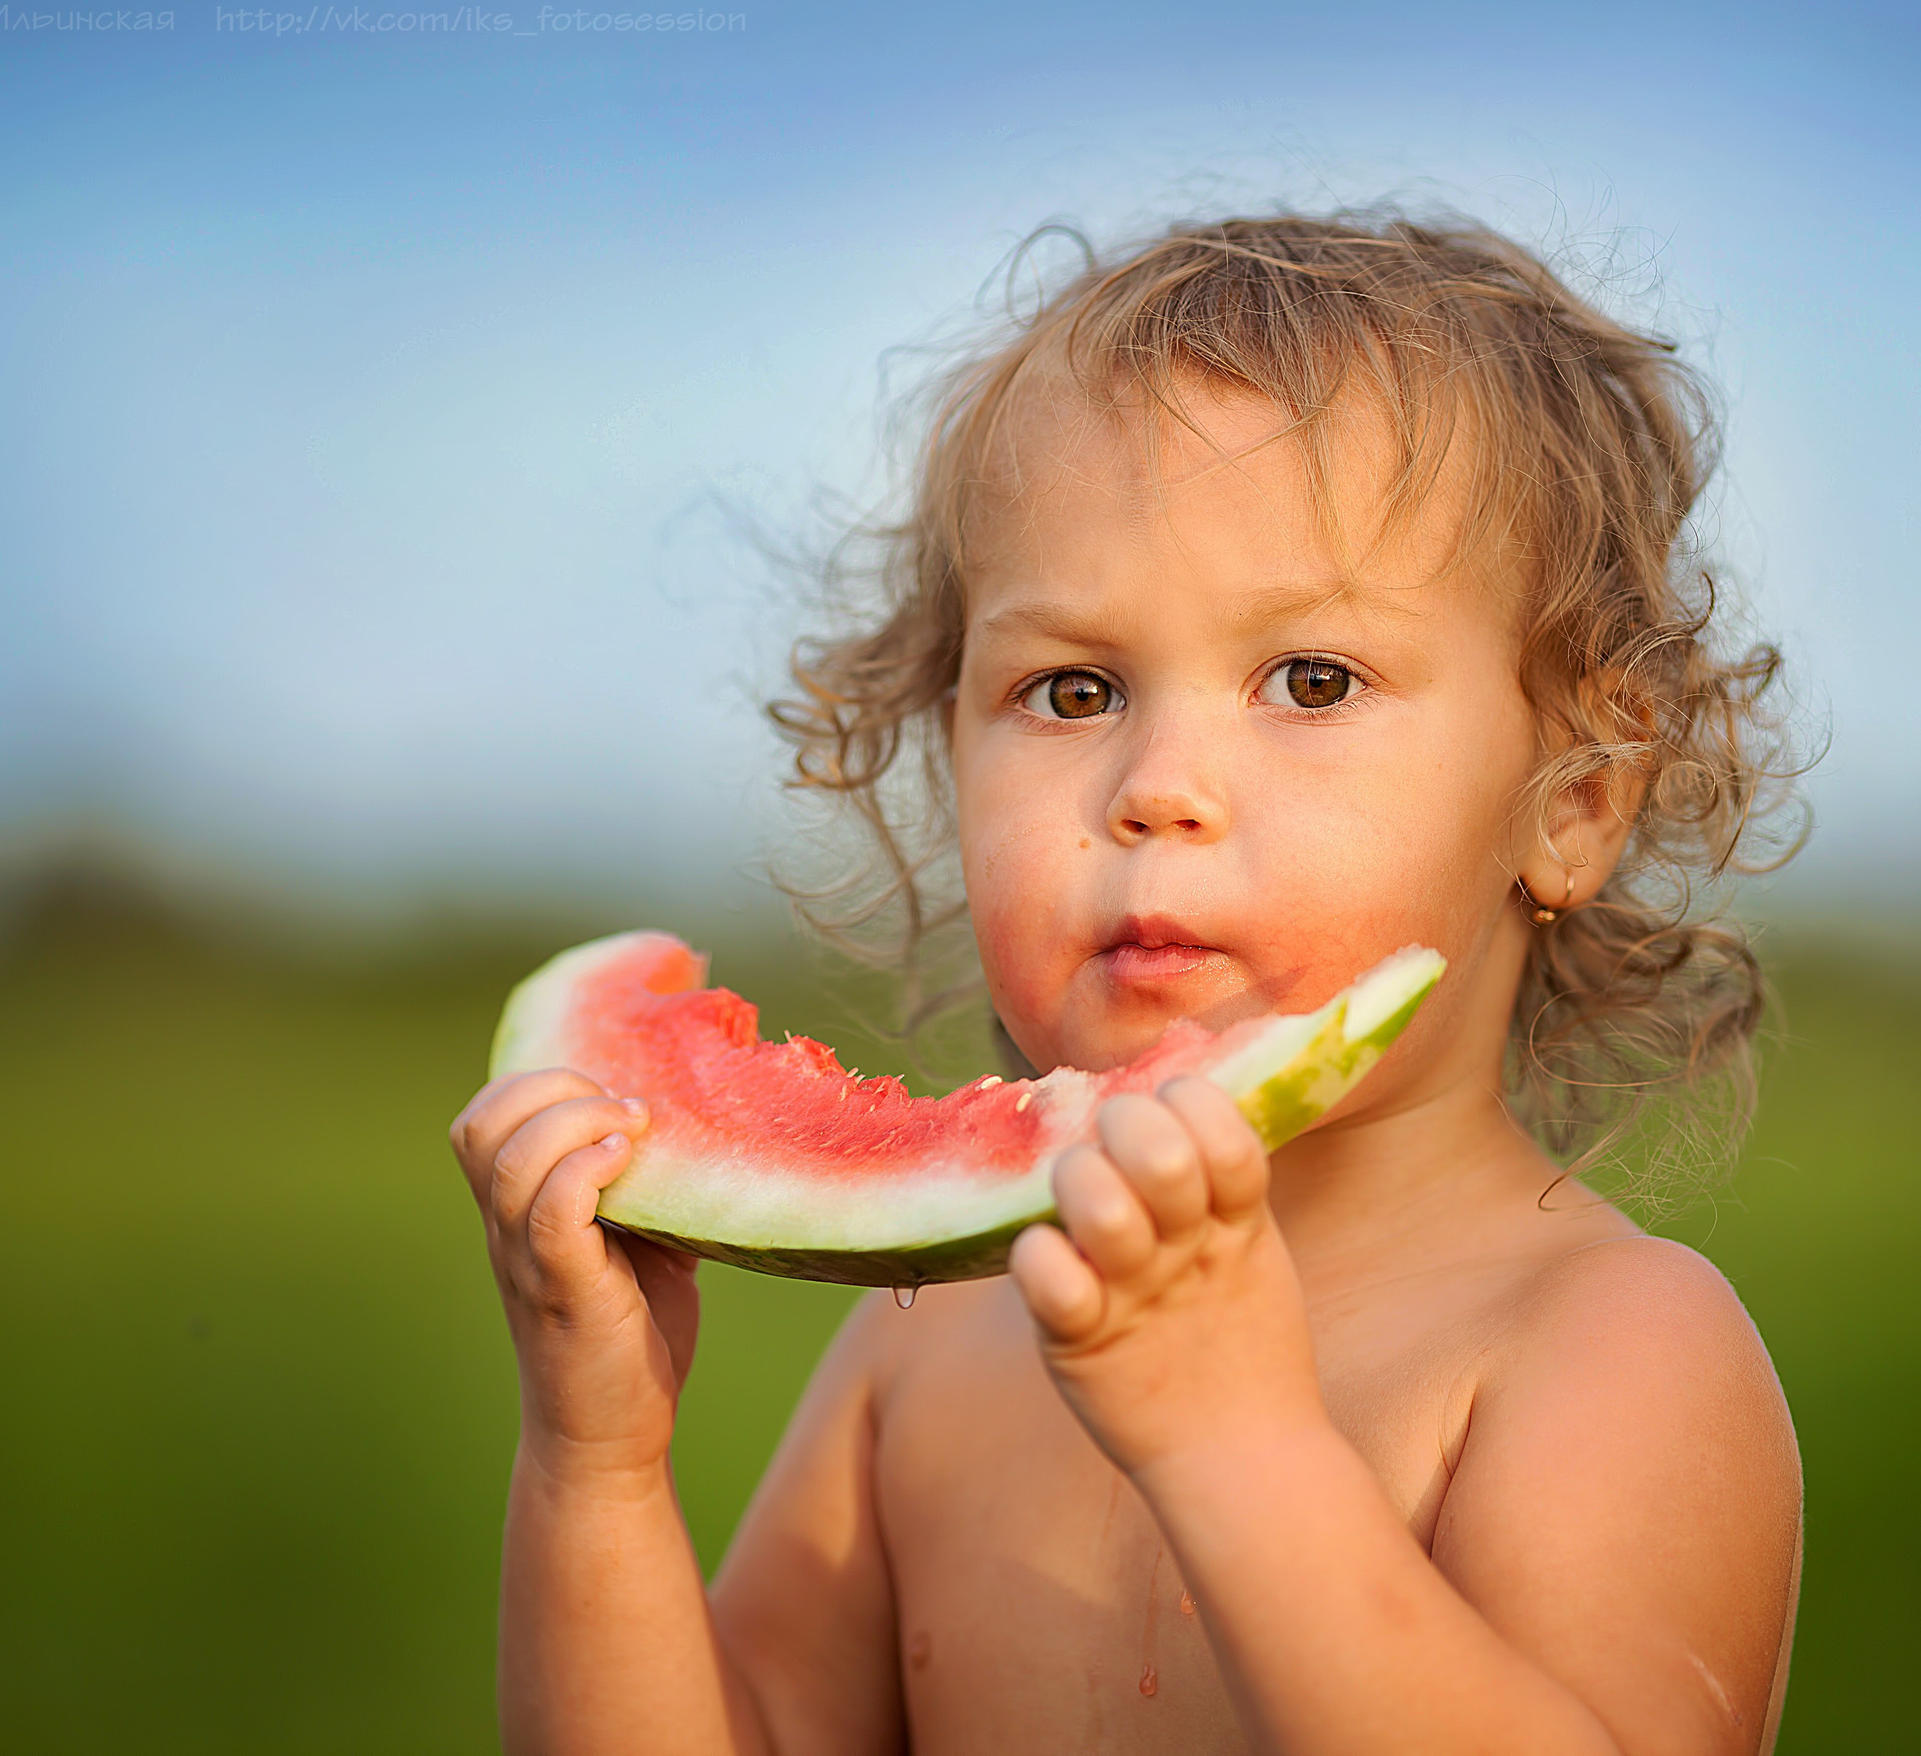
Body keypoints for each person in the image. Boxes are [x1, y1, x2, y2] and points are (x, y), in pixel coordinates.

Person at [449, 211, 1805, 1754]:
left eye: (1313, 681)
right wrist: (596, 1472)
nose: (1158, 787)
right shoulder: (925, 1347)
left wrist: (1233, 1444)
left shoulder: (1611, 1345)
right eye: (1072, 690)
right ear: (947, 747)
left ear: (1575, 793)